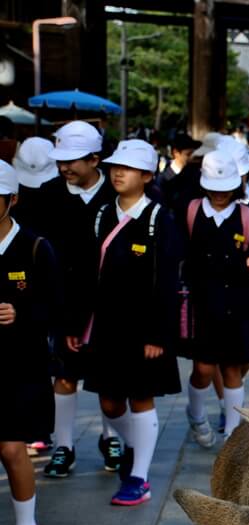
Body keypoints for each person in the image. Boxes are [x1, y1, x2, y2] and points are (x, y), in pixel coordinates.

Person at [74, 140, 183, 506]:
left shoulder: (159, 219)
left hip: (144, 327)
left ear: (147, 176)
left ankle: (139, 476)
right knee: (108, 403)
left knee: (140, 399)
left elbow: (167, 281)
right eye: (114, 166)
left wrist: (158, 334)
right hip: (106, 324)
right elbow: (88, 272)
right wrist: (78, 323)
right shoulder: (102, 213)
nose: (118, 173)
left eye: (128, 168)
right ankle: (135, 443)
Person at [40, 121, 121, 478]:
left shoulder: (118, 195)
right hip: (65, 301)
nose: (64, 167)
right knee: (65, 376)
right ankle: (64, 445)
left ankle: (112, 438)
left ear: (94, 158)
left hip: (110, 304)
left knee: (109, 379)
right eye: (60, 161)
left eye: (72, 161)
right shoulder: (48, 194)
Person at [182, 149, 249, 447]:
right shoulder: (191, 210)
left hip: (237, 302)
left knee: (233, 367)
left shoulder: (248, 214)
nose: (219, 195)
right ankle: (195, 413)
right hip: (201, 302)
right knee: (203, 369)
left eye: (225, 188)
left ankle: (232, 432)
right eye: (214, 188)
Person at [0, 160, 57, 525]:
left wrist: (19, 313)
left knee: (11, 447)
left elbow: (55, 307)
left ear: (12, 200)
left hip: (21, 366)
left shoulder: (36, 246)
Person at [155, 131, 200, 213]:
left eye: (193, 154)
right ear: (176, 153)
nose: (192, 158)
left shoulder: (195, 172)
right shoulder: (165, 177)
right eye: (188, 154)